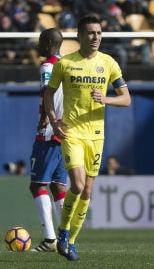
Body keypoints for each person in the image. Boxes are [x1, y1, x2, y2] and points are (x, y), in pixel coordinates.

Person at [44, 15, 131, 261]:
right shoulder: (65, 64)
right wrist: (53, 121)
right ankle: (62, 230)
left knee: (87, 191)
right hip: (71, 132)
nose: (96, 37)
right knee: (78, 185)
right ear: (80, 36)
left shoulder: (109, 63)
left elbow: (126, 98)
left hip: (96, 134)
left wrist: (107, 99)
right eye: (91, 33)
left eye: (99, 33)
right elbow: (48, 94)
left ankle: (70, 242)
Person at [29, 28, 68, 253]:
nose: (37, 46)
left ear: (50, 42)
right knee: (58, 185)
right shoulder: (67, 64)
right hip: (65, 131)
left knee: (37, 184)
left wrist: (44, 118)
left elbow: (47, 93)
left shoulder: (48, 66)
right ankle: (66, 237)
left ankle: (50, 239)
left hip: (49, 131)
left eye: (41, 42)